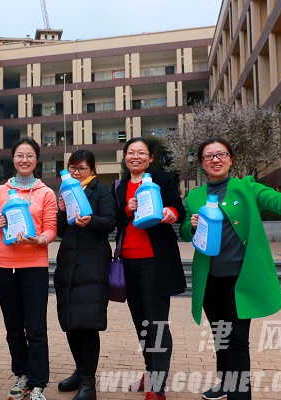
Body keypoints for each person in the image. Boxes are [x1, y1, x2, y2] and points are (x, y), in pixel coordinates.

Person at [179, 138, 281, 400]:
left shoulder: (245, 187)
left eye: (221, 154)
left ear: (231, 159)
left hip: (240, 279)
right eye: (209, 156)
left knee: (238, 340)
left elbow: (273, 199)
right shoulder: (194, 196)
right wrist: (192, 225)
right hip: (210, 280)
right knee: (221, 337)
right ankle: (224, 384)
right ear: (202, 164)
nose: (215, 160)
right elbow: (185, 232)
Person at [0, 137, 57, 400]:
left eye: (29, 156)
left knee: (36, 327)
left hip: (34, 265)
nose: (24, 160)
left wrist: (41, 239)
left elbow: (51, 228)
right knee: (13, 326)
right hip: (4, 265)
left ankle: (38, 383)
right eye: (19, 155)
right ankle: (21, 374)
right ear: (12, 159)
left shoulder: (46, 193)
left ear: (37, 160)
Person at [111, 137, 186, 400]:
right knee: (141, 323)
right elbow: (115, 221)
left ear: (150, 158)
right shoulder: (119, 187)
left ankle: (158, 386)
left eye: (141, 153)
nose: (135, 156)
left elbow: (179, 208)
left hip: (155, 262)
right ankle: (150, 373)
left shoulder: (162, 180)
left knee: (157, 324)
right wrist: (127, 210)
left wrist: (171, 213)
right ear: (125, 157)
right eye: (130, 152)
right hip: (128, 263)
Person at [55, 150, 116, 400]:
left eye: (81, 168)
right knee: (70, 321)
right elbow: (60, 231)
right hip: (69, 262)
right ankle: (80, 372)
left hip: (93, 262)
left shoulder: (101, 191)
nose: (76, 172)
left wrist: (90, 221)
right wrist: (61, 211)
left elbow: (110, 222)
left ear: (92, 169)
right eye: (72, 168)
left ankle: (88, 383)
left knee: (88, 323)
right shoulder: (66, 191)